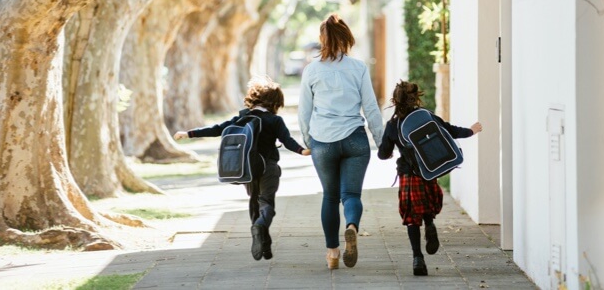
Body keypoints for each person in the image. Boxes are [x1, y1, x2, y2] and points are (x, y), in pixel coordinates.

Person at [174, 76, 310, 261]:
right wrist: (302, 151)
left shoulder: (243, 117)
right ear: (275, 102)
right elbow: (287, 141)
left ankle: (264, 242)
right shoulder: (274, 120)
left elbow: (217, 129)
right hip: (268, 167)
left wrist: (189, 133)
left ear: (253, 98)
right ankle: (261, 227)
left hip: (247, 168)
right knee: (267, 203)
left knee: (254, 201)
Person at [298, 14, 384, 270]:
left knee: (330, 196)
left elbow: (304, 111)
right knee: (351, 195)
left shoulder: (312, 70)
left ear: (322, 39)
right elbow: (371, 107)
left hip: (323, 140)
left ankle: (333, 253)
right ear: (347, 38)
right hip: (355, 139)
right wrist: (381, 142)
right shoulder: (358, 68)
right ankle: (352, 227)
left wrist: (308, 141)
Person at [377, 80, 482, 276]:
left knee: (411, 216)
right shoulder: (426, 116)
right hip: (428, 171)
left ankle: (418, 258)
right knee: (427, 205)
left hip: (408, 174)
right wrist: (471, 131)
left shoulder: (393, 125)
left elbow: (383, 153)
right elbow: (449, 130)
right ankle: (430, 223)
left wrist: (388, 152)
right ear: (416, 98)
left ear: (395, 100)